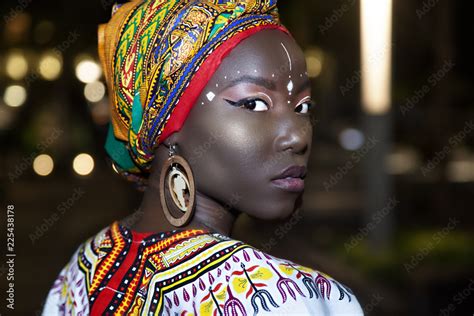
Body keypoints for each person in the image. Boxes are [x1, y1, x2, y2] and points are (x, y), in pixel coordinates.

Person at [43, 0, 364, 314]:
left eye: (303, 107)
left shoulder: (81, 271)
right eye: (253, 104)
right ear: (167, 126)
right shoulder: (287, 298)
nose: (297, 135)